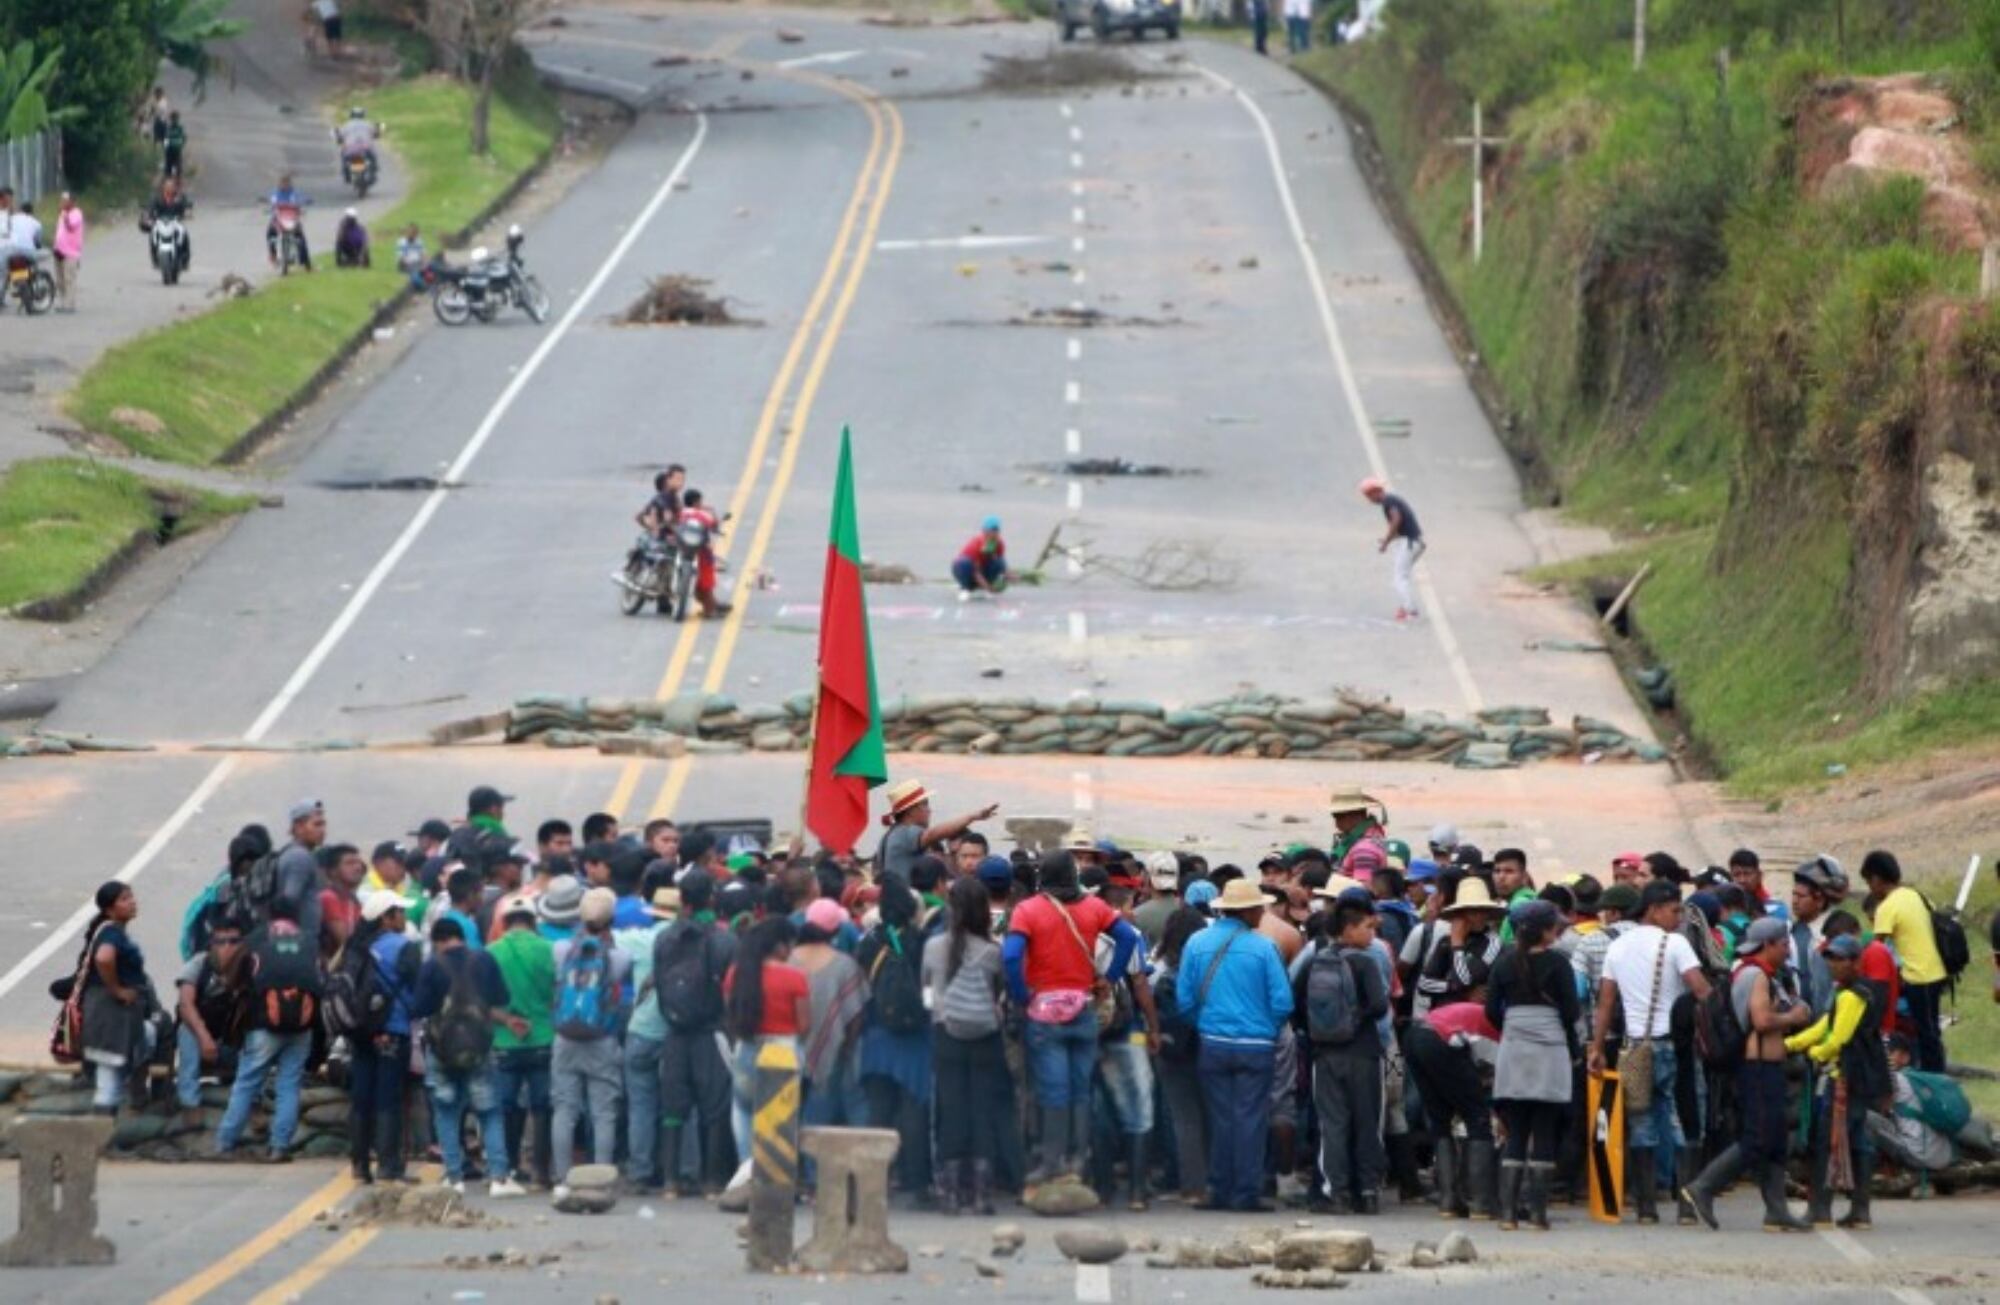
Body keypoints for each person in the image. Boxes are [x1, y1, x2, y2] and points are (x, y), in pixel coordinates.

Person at [1005, 853, 1141, 1190]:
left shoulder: (1028, 910)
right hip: (1083, 1008)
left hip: (1043, 1013)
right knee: (1081, 1090)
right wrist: (1109, 977)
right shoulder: (1094, 907)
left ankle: (1052, 1164)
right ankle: (1079, 1163)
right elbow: (1127, 938)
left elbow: (1010, 956)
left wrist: (1022, 995)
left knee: (1054, 1091)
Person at [1587, 880, 1713, 1223]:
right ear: (1654, 910)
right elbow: (1701, 990)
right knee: (1683, 1120)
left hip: (1634, 1048)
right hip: (1674, 1047)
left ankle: (1646, 1208)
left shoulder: (1618, 947)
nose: (1678, 917)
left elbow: (1606, 1003)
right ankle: (1686, 1206)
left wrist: (1597, 1048)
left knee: (1641, 1123)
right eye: (1674, 910)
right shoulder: (1675, 944)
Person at [1681, 917, 1813, 1231]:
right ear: (1767, 944)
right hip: (1756, 1069)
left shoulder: (1760, 973)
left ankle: (1776, 1211)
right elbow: (1763, 1020)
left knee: (1775, 1139)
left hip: (1767, 1068)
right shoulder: (1755, 975)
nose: (1785, 951)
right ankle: (1703, 1186)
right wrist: (1794, 1015)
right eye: (1782, 945)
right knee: (1757, 1138)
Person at [1178, 877, 1293, 1211]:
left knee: (1221, 1118)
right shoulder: (1264, 948)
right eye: (1260, 907)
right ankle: (1245, 1192)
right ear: (1249, 911)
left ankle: (1218, 1188)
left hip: (1213, 1043)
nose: (1264, 912)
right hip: (1256, 1045)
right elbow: (1283, 1002)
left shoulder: (1196, 943)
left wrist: (1204, 1025)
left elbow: (1184, 999)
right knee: (1251, 1119)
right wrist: (1266, 1030)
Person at [412, 915, 524, 1196]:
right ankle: (498, 1177)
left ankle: (454, 1177)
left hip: (442, 1048)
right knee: (489, 1111)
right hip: (479, 1047)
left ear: (437, 941)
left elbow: (419, 1008)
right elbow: (502, 997)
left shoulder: (431, 966)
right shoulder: (483, 960)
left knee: (447, 1111)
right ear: (461, 936)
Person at [1486, 900, 1580, 1231]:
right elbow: (1571, 1011)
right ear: (1543, 930)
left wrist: (1515, 1027)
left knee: (1516, 1128)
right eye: (1554, 925)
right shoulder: (1558, 963)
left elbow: (1491, 1011)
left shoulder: (1504, 963)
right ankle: (1538, 1214)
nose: (1558, 929)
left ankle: (1509, 1214)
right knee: (1543, 1128)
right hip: (1549, 1049)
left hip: (1514, 1047)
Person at [1788, 934, 1891, 1230]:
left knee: (1828, 1142)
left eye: (1840, 958)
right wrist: (1794, 1043)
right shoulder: (1852, 992)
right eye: (1830, 958)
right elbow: (1825, 1025)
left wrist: (1814, 1052)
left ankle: (1820, 1208)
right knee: (1855, 1142)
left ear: (1856, 962)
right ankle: (1860, 1209)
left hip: (1845, 1078)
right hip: (1859, 1078)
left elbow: (1838, 1038)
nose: (1833, 964)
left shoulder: (1852, 996)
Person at [1304, 898, 1391, 1215]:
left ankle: (1336, 1193)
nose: (1371, 934)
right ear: (1349, 928)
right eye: (1367, 927)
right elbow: (1380, 1006)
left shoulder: (1317, 959)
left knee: (1333, 1125)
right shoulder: (1366, 961)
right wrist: (1358, 1018)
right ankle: (1367, 1192)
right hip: (1364, 1053)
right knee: (1367, 1122)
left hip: (1325, 1055)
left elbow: (1297, 999)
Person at [215, 904, 322, 1162]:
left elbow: (233, 976)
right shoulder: (309, 941)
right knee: (289, 1085)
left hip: (263, 1024)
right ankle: (279, 1146)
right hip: (301, 1025)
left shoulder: (257, 938)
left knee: (247, 1083)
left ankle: (225, 1143)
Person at [653, 869, 737, 1195]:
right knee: (714, 1107)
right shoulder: (725, 940)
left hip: (674, 1031)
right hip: (711, 1031)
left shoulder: (664, 938)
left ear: (681, 899)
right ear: (712, 899)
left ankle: (671, 1181)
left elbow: (660, 983)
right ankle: (712, 1181)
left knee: (673, 1108)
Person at [858, 880, 937, 1202]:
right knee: (914, 1109)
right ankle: (916, 1182)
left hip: (877, 1034)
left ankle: (874, 1180)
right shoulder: (922, 940)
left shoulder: (868, 943)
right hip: (915, 1036)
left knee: (879, 1109)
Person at [550, 888, 632, 1198]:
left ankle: (561, 1178)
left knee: (564, 1108)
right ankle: (602, 1177)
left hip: (565, 1038)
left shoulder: (559, 949)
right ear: (611, 919)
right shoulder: (619, 956)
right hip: (602, 1038)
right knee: (603, 1112)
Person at [724, 917, 810, 1167]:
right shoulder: (794, 977)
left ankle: (746, 1169)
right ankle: (776, 1174)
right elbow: (804, 1024)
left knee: (742, 1111)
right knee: (780, 1118)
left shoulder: (736, 974)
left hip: (746, 1048)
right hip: (783, 1050)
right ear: (779, 946)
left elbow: (730, 1013)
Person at [1406, 993, 1500, 1219]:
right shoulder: (1497, 1032)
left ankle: (1448, 1200)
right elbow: (1494, 1076)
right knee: (1477, 1117)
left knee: (1440, 1119)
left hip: (1414, 1037)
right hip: (1441, 1040)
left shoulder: (1473, 1012)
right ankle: (1480, 1201)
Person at [352, 891, 419, 1182]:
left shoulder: (355, 947)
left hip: (361, 1032)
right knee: (389, 1100)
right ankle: (390, 1166)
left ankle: (360, 1164)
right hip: (393, 1030)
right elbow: (418, 989)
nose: (404, 918)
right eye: (400, 912)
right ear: (386, 918)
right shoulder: (404, 947)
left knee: (362, 1098)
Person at [490, 899, 557, 1189]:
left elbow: (482, 1000)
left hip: (505, 1039)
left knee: (506, 1106)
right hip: (542, 1036)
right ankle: (541, 1172)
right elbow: (557, 992)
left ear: (505, 923)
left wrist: (507, 1021)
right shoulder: (548, 949)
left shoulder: (491, 952)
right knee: (542, 1106)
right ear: (532, 921)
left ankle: (509, 1168)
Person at [1861, 850, 1946, 1073]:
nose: (1871, 888)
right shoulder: (1915, 895)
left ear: (1877, 879)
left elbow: (1876, 947)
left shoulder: (1887, 907)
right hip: (1936, 972)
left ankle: (1934, 1079)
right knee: (1930, 1032)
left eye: (1869, 882)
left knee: (1926, 1035)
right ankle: (1934, 1075)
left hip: (1918, 976)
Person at [78, 883, 156, 1115]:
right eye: (124, 899)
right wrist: (117, 990)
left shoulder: (113, 931)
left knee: (112, 1072)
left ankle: (106, 1128)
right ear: (110, 909)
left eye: (131, 896)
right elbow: (104, 959)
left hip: (111, 1015)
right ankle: (102, 1135)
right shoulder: (111, 932)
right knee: (109, 1079)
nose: (132, 902)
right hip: (110, 1014)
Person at [797, 897, 871, 1140]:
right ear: (837, 930)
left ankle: (805, 1171)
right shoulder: (844, 965)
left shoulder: (788, 960)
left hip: (790, 1049)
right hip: (835, 1050)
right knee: (835, 1106)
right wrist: (848, 1044)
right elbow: (856, 1012)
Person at [1152, 907, 1211, 1203]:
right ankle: (1212, 1178)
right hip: (1208, 1044)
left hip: (1173, 1049)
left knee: (1184, 1118)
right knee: (1210, 1115)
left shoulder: (1163, 972)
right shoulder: (1207, 967)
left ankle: (1192, 1185)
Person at [174, 916, 248, 1124]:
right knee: (185, 1030)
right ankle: (190, 1103)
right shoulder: (199, 965)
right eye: (221, 942)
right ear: (212, 945)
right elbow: (185, 1005)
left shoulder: (249, 967)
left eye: (233, 941)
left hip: (232, 1044)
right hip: (201, 1042)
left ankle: (253, 1103)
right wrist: (204, 1037)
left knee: (256, 1034)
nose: (227, 947)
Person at [874, 779, 998, 885]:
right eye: (925, 804)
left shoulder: (890, 835)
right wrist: (973, 816)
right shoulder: (907, 833)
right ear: (911, 810)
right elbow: (933, 834)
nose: (929, 810)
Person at [1358, 476, 1423, 621]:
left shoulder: (1389, 501)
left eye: (1368, 496)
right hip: (1413, 542)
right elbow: (1401, 526)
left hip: (1410, 543)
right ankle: (1405, 606)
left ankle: (1410, 611)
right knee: (1402, 576)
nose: (1369, 500)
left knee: (1400, 577)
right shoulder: (1391, 500)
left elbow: (1396, 520)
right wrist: (1388, 539)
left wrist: (1386, 543)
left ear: (1375, 492)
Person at [1788, 859, 1837, 1015]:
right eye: (1794, 895)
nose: (1795, 901)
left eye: (1801, 896)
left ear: (1820, 901)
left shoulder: (1831, 932)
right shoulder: (1789, 931)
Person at [1327, 789, 1387, 874]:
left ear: (1355, 816)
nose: (1336, 823)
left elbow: (1362, 886)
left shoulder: (1364, 850)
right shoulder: (1371, 837)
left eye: (1338, 816)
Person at [953, 516, 1007, 600]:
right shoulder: (976, 544)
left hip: (982, 571)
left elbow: (1002, 565)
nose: (995, 533)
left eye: (996, 530)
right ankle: (964, 588)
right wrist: (989, 588)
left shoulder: (999, 543)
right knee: (964, 563)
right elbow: (975, 572)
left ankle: (983, 587)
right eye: (992, 530)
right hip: (967, 570)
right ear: (984, 531)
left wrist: (1008, 576)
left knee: (999, 562)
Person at [266, 174, 313, 270]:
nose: (284, 185)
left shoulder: (295, 193)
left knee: (301, 239)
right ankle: (273, 256)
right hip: (278, 219)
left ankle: (307, 264)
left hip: (292, 219)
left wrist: (304, 203)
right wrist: (270, 205)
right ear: (279, 184)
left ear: (290, 183)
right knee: (270, 233)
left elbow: (302, 200)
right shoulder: (275, 193)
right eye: (282, 183)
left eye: (286, 183)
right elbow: (271, 201)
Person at [636, 464, 687, 537]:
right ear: (668, 480)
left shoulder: (674, 497)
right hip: (662, 539)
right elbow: (667, 516)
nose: (681, 483)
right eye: (678, 479)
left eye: (683, 480)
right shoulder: (665, 497)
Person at [51, 193, 82, 312]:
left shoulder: (76, 213)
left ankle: (70, 304)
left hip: (71, 252)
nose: (62, 202)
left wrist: (64, 216)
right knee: (60, 279)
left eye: (65, 200)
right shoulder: (62, 214)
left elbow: (71, 226)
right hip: (58, 250)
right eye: (62, 200)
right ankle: (63, 302)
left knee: (69, 278)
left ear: (72, 202)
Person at [334, 105, 379, 174]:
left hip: (350, 147)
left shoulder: (347, 124)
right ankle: (375, 167)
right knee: (373, 155)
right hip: (365, 146)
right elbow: (375, 133)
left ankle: (344, 170)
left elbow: (340, 135)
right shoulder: (367, 124)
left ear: (351, 115)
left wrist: (339, 139)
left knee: (343, 154)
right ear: (363, 115)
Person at [395, 223, 426, 289]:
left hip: (418, 263)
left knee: (434, 266)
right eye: (411, 233)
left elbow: (423, 254)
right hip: (407, 265)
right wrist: (411, 264)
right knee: (415, 277)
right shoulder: (402, 242)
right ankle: (425, 287)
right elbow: (401, 258)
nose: (413, 235)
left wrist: (425, 263)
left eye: (415, 233)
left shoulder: (418, 241)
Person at [162, 112, 187, 180]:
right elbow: (166, 138)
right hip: (170, 151)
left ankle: (177, 181)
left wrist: (181, 145)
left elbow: (184, 138)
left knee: (177, 169)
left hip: (176, 151)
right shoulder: (169, 128)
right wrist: (166, 147)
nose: (174, 120)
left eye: (175, 118)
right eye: (173, 118)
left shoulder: (179, 128)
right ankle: (170, 181)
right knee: (169, 169)